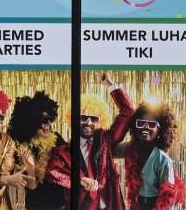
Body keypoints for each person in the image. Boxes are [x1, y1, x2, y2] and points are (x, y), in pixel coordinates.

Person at [47, 74, 135, 210]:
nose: (88, 123)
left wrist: (111, 85)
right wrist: (79, 180)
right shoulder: (63, 152)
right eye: (83, 118)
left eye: (93, 119)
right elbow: (52, 172)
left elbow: (128, 113)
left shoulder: (106, 141)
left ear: (99, 121)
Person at [115, 102, 185, 210]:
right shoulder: (130, 149)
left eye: (152, 124)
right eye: (141, 123)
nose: (145, 127)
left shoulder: (163, 160)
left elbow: (168, 199)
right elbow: (108, 149)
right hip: (137, 206)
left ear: (160, 131)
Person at [6, 91, 67, 210]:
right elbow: (32, 188)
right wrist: (31, 167)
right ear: (31, 121)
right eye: (44, 119)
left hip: (60, 204)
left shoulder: (57, 139)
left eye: (50, 118)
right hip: (37, 205)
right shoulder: (21, 148)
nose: (49, 123)